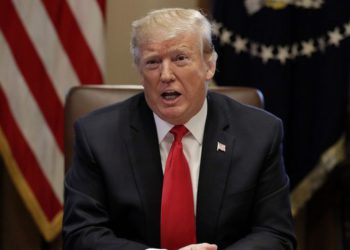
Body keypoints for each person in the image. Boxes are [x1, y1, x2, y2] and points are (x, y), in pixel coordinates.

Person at [63, 8, 296, 250]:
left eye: (180, 58)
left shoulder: (260, 133)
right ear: (140, 72)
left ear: (209, 66)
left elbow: (275, 234)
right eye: (153, 62)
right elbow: (80, 235)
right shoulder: (97, 136)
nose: (166, 75)